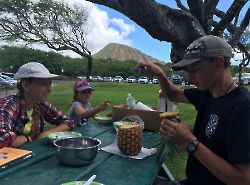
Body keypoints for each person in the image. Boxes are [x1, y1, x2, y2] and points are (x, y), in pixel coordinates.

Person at [138, 35, 250, 185]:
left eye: (195, 69)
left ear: (218, 62)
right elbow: (173, 94)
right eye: (188, 71)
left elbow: (243, 179)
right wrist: (159, 73)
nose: (190, 78)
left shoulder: (242, 107)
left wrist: (189, 142)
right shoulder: (207, 93)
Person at [0, 62, 75, 148]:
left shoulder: (40, 104)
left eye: (49, 84)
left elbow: (68, 121)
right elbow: (2, 141)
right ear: (26, 85)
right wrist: (26, 139)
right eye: (43, 84)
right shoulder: (9, 106)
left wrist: (45, 134)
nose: (49, 89)